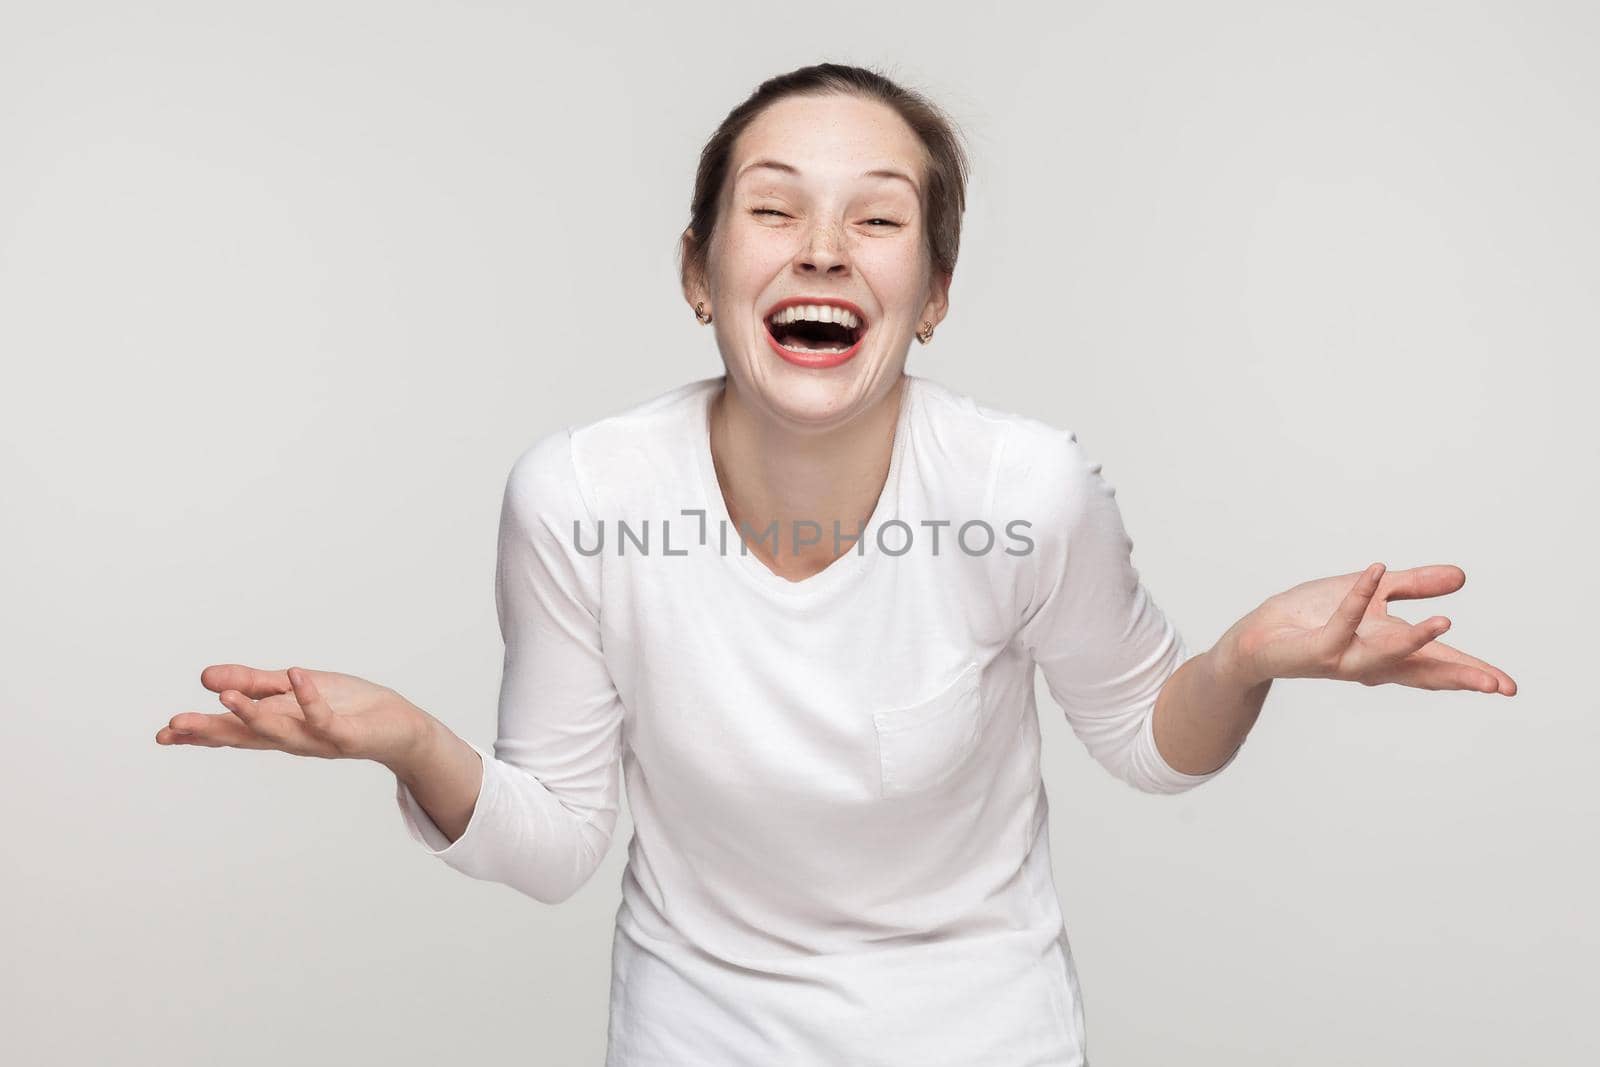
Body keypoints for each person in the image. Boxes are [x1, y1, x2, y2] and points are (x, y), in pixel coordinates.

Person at [156, 63, 1517, 1065]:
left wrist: (1244, 660)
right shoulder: (580, 498)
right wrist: (407, 741)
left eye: (877, 217)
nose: (821, 245)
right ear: (699, 272)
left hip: (986, 1033)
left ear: (931, 295)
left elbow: (1150, 744)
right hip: (696, 1033)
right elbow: (556, 844)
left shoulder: (1020, 490)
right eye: (772, 210)